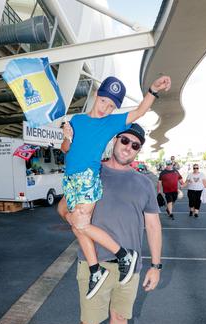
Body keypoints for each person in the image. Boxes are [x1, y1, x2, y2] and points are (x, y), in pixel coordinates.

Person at [67, 123, 162, 324]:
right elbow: (68, 204)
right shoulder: (92, 171)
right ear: (115, 140)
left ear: (139, 151)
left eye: (135, 145)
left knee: (120, 317)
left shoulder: (145, 182)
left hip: (129, 267)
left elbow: (153, 225)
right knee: (90, 322)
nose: (129, 147)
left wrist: (156, 265)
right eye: (125, 140)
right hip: (93, 264)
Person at [58, 75, 171, 299]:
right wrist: (67, 137)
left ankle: (123, 254)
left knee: (80, 222)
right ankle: (94, 270)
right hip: (69, 180)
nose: (105, 108)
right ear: (96, 96)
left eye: (111, 106)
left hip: (87, 179)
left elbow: (139, 112)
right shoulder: (77, 121)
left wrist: (153, 91)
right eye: (103, 102)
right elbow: (64, 149)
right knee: (76, 226)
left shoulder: (109, 123)